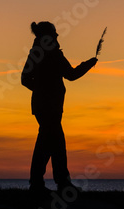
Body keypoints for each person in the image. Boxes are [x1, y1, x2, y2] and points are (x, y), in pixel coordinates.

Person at [21, 21, 98, 197]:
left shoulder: (36, 54)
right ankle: (55, 184)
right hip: (50, 107)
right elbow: (71, 75)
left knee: (50, 145)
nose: (57, 36)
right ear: (48, 36)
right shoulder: (53, 55)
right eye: (54, 34)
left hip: (44, 107)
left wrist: (40, 90)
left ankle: (44, 184)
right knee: (53, 145)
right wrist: (88, 64)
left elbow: (25, 79)